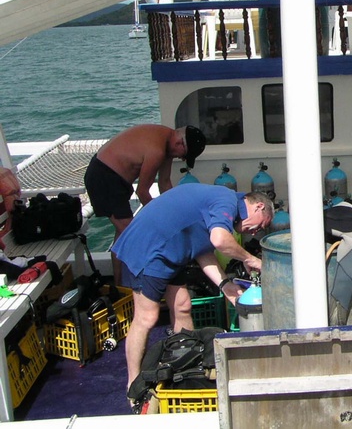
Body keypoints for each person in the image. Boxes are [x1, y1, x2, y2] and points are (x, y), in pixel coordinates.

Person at [114, 184, 274, 398]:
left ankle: (184, 372)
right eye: (260, 226)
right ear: (258, 206)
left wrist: (226, 286)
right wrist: (251, 259)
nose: (255, 232)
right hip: (148, 248)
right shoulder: (226, 200)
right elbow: (219, 240)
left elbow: (204, 252)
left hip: (171, 251)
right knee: (146, 317)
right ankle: (133, 387)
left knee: (182, 306)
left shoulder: (223, 206)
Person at [83, 124, 207, 283]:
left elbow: (164, 184)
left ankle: (120, 285)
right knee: (131, 235)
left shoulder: (167, 142)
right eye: (184, 155)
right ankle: (132, 287)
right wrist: (161, 224)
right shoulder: (157, 151)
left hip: (118, 181)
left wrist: (178, 216)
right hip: (104, 177)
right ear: (180, 144)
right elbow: (142, 192)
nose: (182, 159)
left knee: (123, 236)